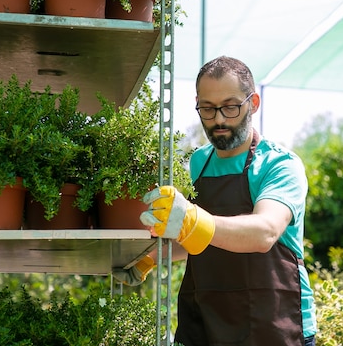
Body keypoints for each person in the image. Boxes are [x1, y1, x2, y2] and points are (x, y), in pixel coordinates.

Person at [135, 55, 317, 346]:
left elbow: (265, 232)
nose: (219, 119)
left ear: (253, 103)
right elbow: (201, 236)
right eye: (207, 108)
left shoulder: (279, 165)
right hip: (210, 322)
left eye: (230, 107)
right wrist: (149, 257)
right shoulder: (199, 163)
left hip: (274, 323)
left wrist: (192, 218)